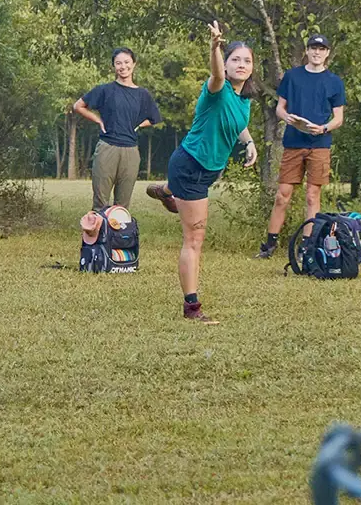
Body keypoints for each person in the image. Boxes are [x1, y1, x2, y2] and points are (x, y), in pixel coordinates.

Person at [146, 21, 257, 324]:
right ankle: (191, 308)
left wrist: (249, 143)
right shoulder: (217, 88)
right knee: (194, 239)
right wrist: (214, 47)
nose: (241, 65)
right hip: (191, 165)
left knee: (189, 218)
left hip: (208, 171)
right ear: (227, 60)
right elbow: (217, 74)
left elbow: (237, 123)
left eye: (247, 61)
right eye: (236, 59)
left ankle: (167, 191)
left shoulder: (243, 99)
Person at [257, 34, 346, 259]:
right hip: (294, 143)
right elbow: (280, 108)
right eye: (313, 48)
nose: (317, 52)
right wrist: (286, 117)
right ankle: (269, 244)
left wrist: (323, 128)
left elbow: (338, 118)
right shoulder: (292, 76)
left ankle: (307, 245)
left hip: (320, 144)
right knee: (282, 195)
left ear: (327, 53)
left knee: (312, 196)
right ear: (306, 51)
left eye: (321, 49)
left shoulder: (334, 81)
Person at [73, 48, 163, 211]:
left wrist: (138, 125)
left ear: (134, 64)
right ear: (113, 66)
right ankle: (99, 235)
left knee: (122, 206)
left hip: (131, 151)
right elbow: (78, 106)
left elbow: (154, 118)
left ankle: (119, 236)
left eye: (127, 62)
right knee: (100, 203)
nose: (123, 66)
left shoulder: (142, 94)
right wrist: (98, 120)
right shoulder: (105, 90)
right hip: (108, 148)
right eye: (118, 63)